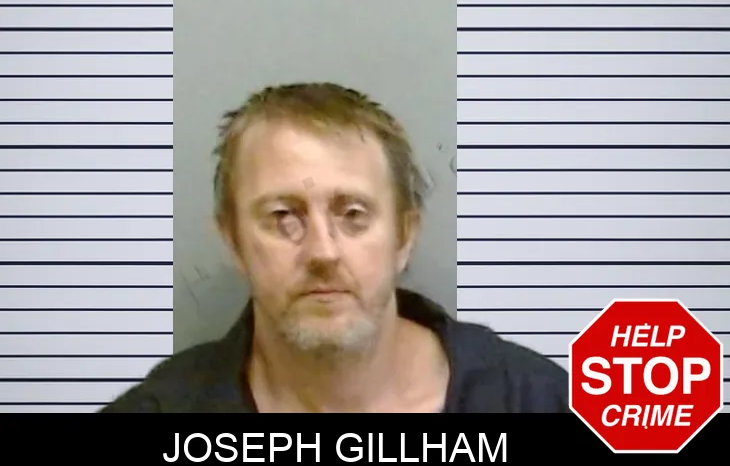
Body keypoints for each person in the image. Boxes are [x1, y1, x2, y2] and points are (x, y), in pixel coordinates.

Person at [100, 82, 569, 413]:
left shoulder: (538, 402)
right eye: (283, 216)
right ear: (234, 241)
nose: (323, 252)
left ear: (404, 236)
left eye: (353, 215)